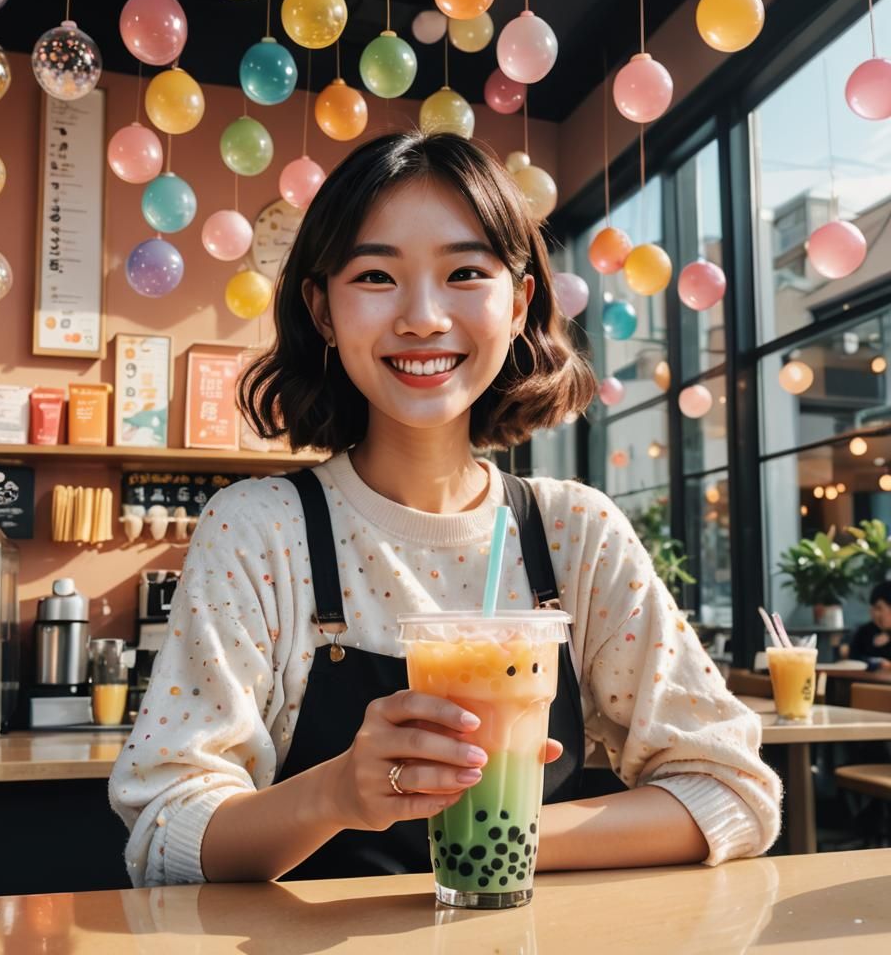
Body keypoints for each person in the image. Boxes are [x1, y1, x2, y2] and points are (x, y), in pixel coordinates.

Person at [109, 132, 781, 887]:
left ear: (520, 302)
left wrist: (495, 836)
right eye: (374, 276)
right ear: (322, 309)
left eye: (465, 271)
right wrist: (336, 794)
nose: (423, 317)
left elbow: (731, 791)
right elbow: (166, 833)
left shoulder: (574, 535)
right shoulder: (260, 530)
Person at [847, 581, 891, 669]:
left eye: (879, 608)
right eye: (873, 608)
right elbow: (853, 658)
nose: (874, 614)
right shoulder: (864, 632)